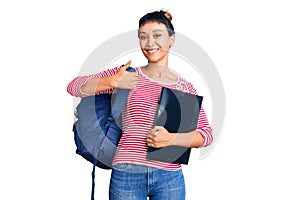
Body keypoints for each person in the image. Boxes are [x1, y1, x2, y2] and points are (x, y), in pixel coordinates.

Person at [67, 10, 213, 200]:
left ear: (172, 39)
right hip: (126, 173)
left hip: (169, 177)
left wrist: (171, 139)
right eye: (143, 37)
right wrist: (111, 82)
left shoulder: (184, 87)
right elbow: (74, 87)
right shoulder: (126, 75)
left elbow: (206, 135)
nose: (150, 43)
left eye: (157, 35)